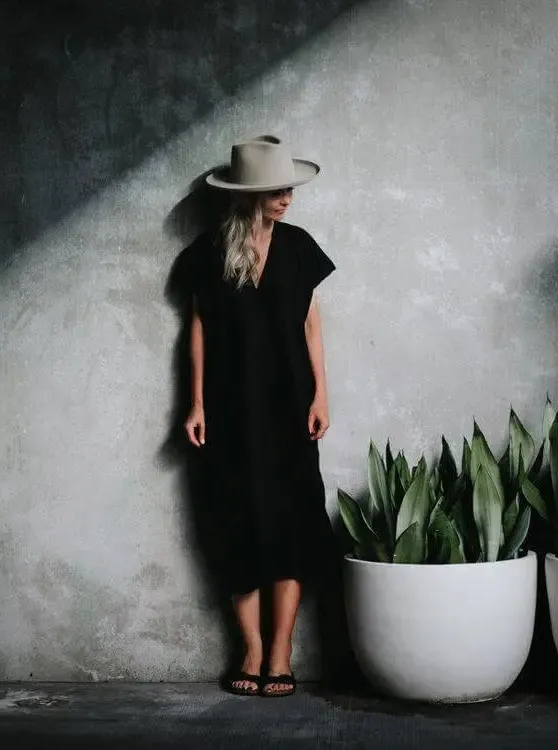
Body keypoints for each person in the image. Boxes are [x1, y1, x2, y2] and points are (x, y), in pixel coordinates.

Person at [183, 135, 337, 698]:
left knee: (291, 524)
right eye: (276, 190)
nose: (287, 197)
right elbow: (197, 327)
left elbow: (312, 324)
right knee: (235, 524)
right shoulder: (211, 251)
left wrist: (322, 394)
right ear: (247, 195)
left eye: (289, 187)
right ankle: (249, 649)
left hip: (290, 407)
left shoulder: (299, 247)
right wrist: (196, 402)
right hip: (231, 409)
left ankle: (280, 653)